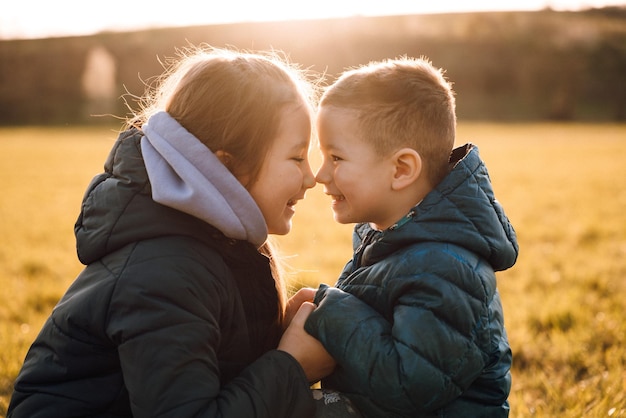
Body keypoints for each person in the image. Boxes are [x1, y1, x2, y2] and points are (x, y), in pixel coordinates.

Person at [7, 45, 335, 417]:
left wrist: (278, 336)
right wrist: (292, 366)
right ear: (228, 167)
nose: (311, 177)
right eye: (296, 157)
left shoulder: (221, 241)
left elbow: (213, 365)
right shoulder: (164, 274)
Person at [304, 56, 519, 417]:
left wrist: (330, 315)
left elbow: (409, 387)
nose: (320, 174)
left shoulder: (445, 267)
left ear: (401, 169)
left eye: (336, 157)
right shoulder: (391, 240)